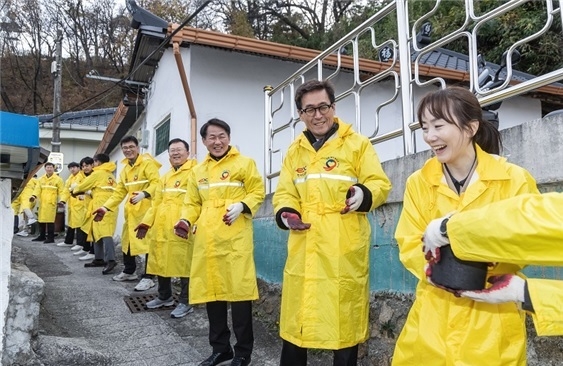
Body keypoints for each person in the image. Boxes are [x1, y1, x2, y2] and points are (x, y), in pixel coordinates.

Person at [393, 87, 539, 365]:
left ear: (470, 127)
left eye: (438, 125)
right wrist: (439, 271)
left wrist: (479, 263)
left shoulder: (512, 178)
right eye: (424, 127)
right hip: (434, 316)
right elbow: (409, 241)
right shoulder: (419, 182)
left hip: (491, 319)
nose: (430, 136)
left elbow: (529, 241)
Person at [272, 79, 392, 366]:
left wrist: (362, 194)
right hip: (305, 243)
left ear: (334, 107)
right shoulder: (295, 151)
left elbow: (379, 183)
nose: (317, 115)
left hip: (343, 243)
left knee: (343, 326)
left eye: (323, 106)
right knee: (297, 322)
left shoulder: (357, 144)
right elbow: (285, 191)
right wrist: (287, 214)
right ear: (300, 114)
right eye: (309, 109)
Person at [174, 118, 265, 366]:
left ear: (229, 137)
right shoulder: (198, 171)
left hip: (235, 238)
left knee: (239, 297)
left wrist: (243, 205)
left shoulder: (244, 163)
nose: (217, 141)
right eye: (212, 137)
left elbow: (258, 190)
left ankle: (243, 352)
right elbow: (191, 202)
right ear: (204, 141)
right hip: (207, 240)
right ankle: (220, 349)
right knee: (212, 296)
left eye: (222, 135)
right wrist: (184, 220)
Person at [422, 191, 563, 336]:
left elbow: (541, 220)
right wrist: (525, 293)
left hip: (492, 333)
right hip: (431, 327)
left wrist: (452, 229)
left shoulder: (515, 177)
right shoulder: (420, 182)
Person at [136, 138, 197, 318]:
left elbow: (197, 202)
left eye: (179, 150)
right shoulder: (165, 177)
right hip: (161, 227)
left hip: (182, 225)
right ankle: (165, 296)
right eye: (172, 150)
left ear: (188, 153)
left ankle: (186, 302)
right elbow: (156, 203)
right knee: (161, 261)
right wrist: (146, 222)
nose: (176, 153)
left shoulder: (194, 172)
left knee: (184, 263)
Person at [93, 136, 161, 290]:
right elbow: (118, 193)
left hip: (146, 211)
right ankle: (129, 271)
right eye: (125, 148)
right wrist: (105, 207)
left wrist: (144, 193)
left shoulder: (147, 164)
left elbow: (156, 183)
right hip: (131, 212)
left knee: (148, 243)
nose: (128, 150)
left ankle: (149, 276)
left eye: (131, 147)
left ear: (138, 148)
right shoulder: (125, 170)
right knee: (127, 241)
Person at [72, 153, 119, 274]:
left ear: (97, 162)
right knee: (96, 231)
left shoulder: (98, 173)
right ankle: (99, 258)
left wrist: (74, 190)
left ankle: (111, 260)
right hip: (108, 205)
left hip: (102, 205)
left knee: (105, 233)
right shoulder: (110, 175)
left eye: (94, 163)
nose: (93, 165)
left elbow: (84, 184)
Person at [30, 162, 65, 243]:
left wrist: (62, 200)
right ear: (45, 169)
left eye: (51, 167)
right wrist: (34, 196)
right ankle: (41, 236)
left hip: (51, 203)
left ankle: (50, 238)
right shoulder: (41, 179)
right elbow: (37, 189)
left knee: (50, 221)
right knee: (41, 219)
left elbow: (61, 191)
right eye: (47, 167)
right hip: (42, 203)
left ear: (53, 168)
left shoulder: (58, 180)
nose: (49, 169)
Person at [69, 157, 96, 261]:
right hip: (85, 205)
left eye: (87, 165)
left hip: (94, 205)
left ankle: (93, 252)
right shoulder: (83, 176)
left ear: (92, 165)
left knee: (93, 230)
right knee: (85, 228)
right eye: (83, 166)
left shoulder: (95, 175)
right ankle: (86, 248)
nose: (85, 168)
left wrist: (88, 192)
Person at [58, 162, 86, 248]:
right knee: (71, 223)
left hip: (80, 203)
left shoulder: (82, 176)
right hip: (72, 204)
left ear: (78, 167)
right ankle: (68, 241)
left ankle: (80, 243)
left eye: (74, 167)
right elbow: (66, 190)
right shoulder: (70, 178)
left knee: (79, 224)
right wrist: (63, 200)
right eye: (70, 168)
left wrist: (73, 188)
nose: (72, 169)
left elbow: (82, 187)